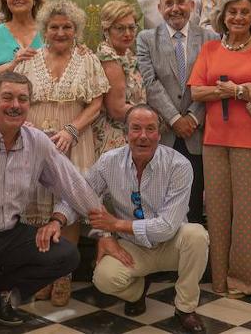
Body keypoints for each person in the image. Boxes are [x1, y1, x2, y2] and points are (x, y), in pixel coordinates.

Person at [0, 71, 102, 334]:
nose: (15, 105)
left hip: (9, 233)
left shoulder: (38, 142)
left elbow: (76, 187)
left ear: (29, 105)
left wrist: (86, 226)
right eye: (8, 97)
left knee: (66, 255)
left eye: (23, 99)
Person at [54, 104, 210, 333]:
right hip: (132, 247)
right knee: (104, 279)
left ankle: (185, 308)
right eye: (136, 129)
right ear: (125, 134)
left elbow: (167, 227)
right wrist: (57, 221)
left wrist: (115, 225)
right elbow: (79, 195)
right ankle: (136, 292)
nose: (143, 136)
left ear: (159, 134)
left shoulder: (179, 165)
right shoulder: (109, 162)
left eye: (150, 129)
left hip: (172, 245)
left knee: (196, 235)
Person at [188, 0, 251, 297]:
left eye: (245, 12)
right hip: (214, 141)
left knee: (247, 215)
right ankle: (218, 279)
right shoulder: (210, 50)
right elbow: (196, 92)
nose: (238, 17)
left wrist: (239, 91)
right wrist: (228, 90)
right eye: (233, 12)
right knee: (216, 213)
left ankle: (243, 281)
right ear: (223, 17)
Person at [16, 0, 110, 305]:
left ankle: (63, 276)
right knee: (36, 209)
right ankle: (43, 274)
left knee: (66, 207)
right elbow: (17, 100)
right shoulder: (29, 60)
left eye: (66, 27)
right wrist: (31, 131)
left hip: (73, 139)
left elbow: (96, 103)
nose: (60, 32)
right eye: (54, 27)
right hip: (34, 139)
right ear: (45, 29)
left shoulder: (88, 59)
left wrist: (71, 130)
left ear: (76, 30)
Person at [138, 0, 216, 224]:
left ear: (192, 6)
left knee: (192, 204)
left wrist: (192, 118)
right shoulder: (147, 39)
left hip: (198, 134)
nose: (175, 8)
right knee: (159, 203)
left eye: (181, 2)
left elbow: (213, 82)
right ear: (160, 8)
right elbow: (150, 83)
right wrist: (175, 119)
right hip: (163, 134)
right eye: (169, 3)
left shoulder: (210, 38)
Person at [93, 0, 148, 154]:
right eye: (120, 28)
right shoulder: (109, 58)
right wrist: (150, 116)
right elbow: (117, 110)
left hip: (133, 130)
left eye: (132, 27)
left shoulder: (126, 53)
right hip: (116, 138)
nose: (128, 34)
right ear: (106, 30)